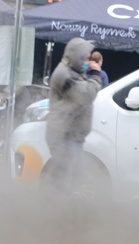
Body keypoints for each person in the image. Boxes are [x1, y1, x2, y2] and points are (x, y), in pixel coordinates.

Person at [39, 37, 102, 194]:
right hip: (63, 137)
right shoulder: (65, 74)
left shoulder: (74, 72)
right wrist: (95, 73)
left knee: (76, 179)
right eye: (86, 58)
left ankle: (64, 211)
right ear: (77, 56)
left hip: (72, 137)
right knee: (61, 181)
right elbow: (86, 94)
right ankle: (55, 212)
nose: (89, 61)